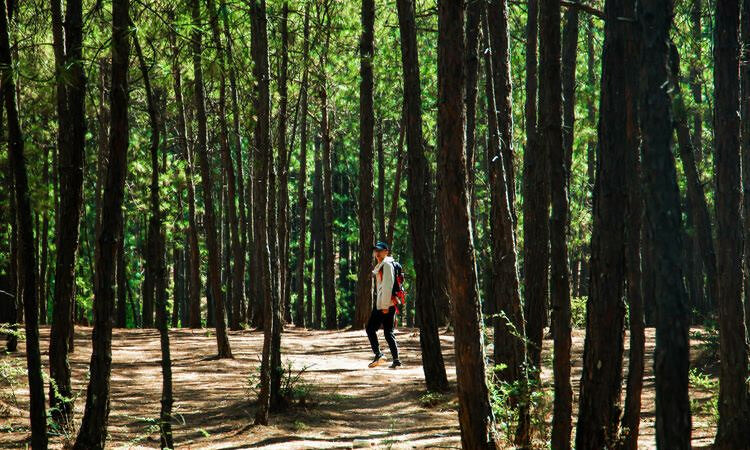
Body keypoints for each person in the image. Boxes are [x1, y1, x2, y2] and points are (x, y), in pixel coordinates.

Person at [366, 241, 401, 368]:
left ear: (386, 251)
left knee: (370, 328)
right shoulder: (384, 264)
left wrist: (385, 306)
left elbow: (387, 286)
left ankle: (378, 354)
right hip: (389, 303)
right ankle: (396, 360)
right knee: (388, 332)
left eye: (380, 250)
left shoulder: (386, 264)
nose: (377, 253)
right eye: (376, 251)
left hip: (384, 304)